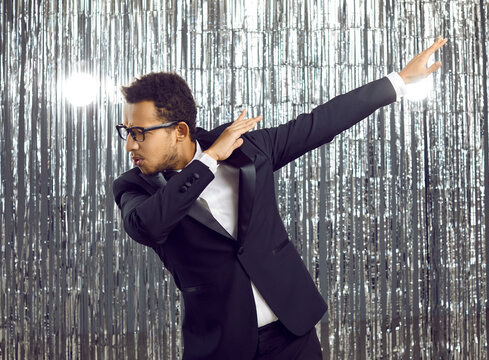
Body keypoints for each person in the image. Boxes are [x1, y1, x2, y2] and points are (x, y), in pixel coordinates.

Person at [113, 37, 448, 359]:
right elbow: (149, 227)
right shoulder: (133, 188)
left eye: (138, 133)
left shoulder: (249, 149)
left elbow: (320, 123)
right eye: (126, 132)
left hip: (293, 334)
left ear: (180, 131)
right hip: (220, 346)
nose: (130, 144)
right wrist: (209, 160)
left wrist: (400, 81)